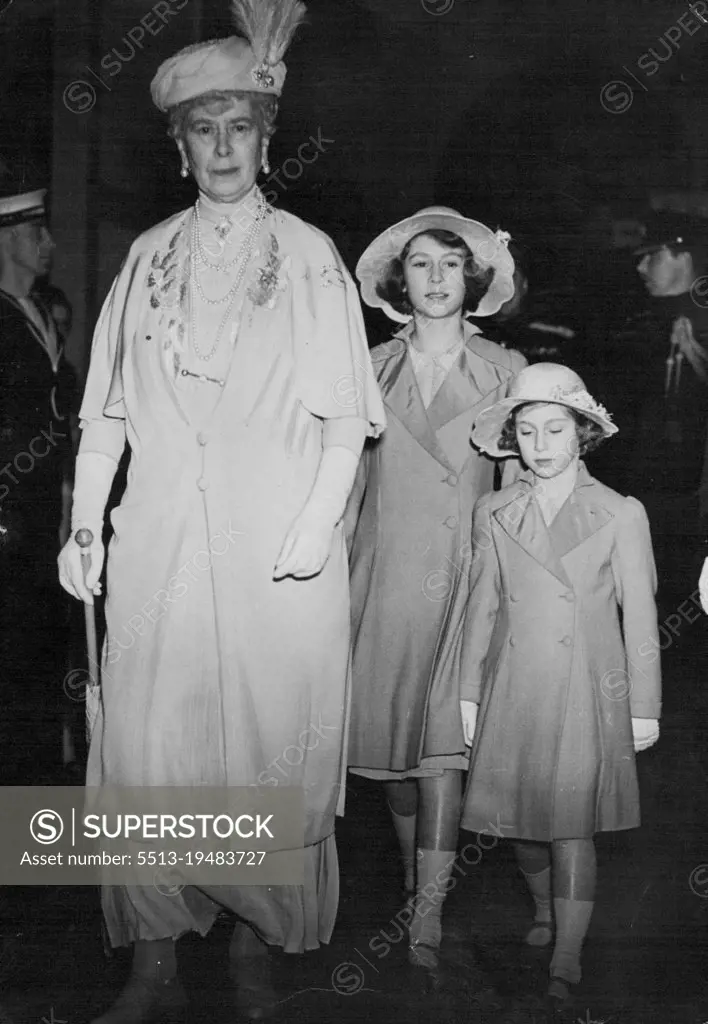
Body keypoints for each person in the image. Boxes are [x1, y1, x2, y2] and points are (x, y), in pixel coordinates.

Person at [56, 1, 386, 1020]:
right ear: (179, 145)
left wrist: (317, 516)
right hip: (158, 548)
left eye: (241, 126)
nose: (224, 146)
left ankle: (256, 947)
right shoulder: (145, 257)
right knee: (157, 748)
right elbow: (105, 418)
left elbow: (346, 419)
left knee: (262, 745)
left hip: (277, 555)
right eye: (204, 128)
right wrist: (82, 525)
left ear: (266, 138)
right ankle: (153, 954)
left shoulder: (312, 256)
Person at [439, 362, 661, 1005]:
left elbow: (641, 616)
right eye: (528, 431)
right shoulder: (495, 509)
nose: (541, 444)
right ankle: (543, 910)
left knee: (571, 826)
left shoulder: (620, 513)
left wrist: (643, 706)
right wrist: (467, 694)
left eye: (555, 429)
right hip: (511, 688)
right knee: (517, 824)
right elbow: (481, 607)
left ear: (582, 434)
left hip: (587, 690)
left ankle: (568, 952)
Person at [345, 206, 525, 973]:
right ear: (399, 280)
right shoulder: (367, 368)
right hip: (380, 584)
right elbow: (345, 482)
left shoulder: (507, 372)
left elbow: (523, 491)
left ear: (474, 277)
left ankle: (427, 914)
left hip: (465, 581)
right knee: (395, 766)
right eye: (421, 264)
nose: (436, 278)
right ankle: (417, 882)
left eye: (451, 263)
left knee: (442, 754)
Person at [0, 178, 76, 784]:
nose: (48, 243)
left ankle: (32, 830)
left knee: (39, 670)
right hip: (8, 533)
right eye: (35, 231)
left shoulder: (37, 315)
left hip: (40, 533)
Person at [630, 214, 708, 589]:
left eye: (652, 255)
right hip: (645, 492)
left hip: (690, 503)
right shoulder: (641, 321)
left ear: (683, 256)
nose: (641, 266)